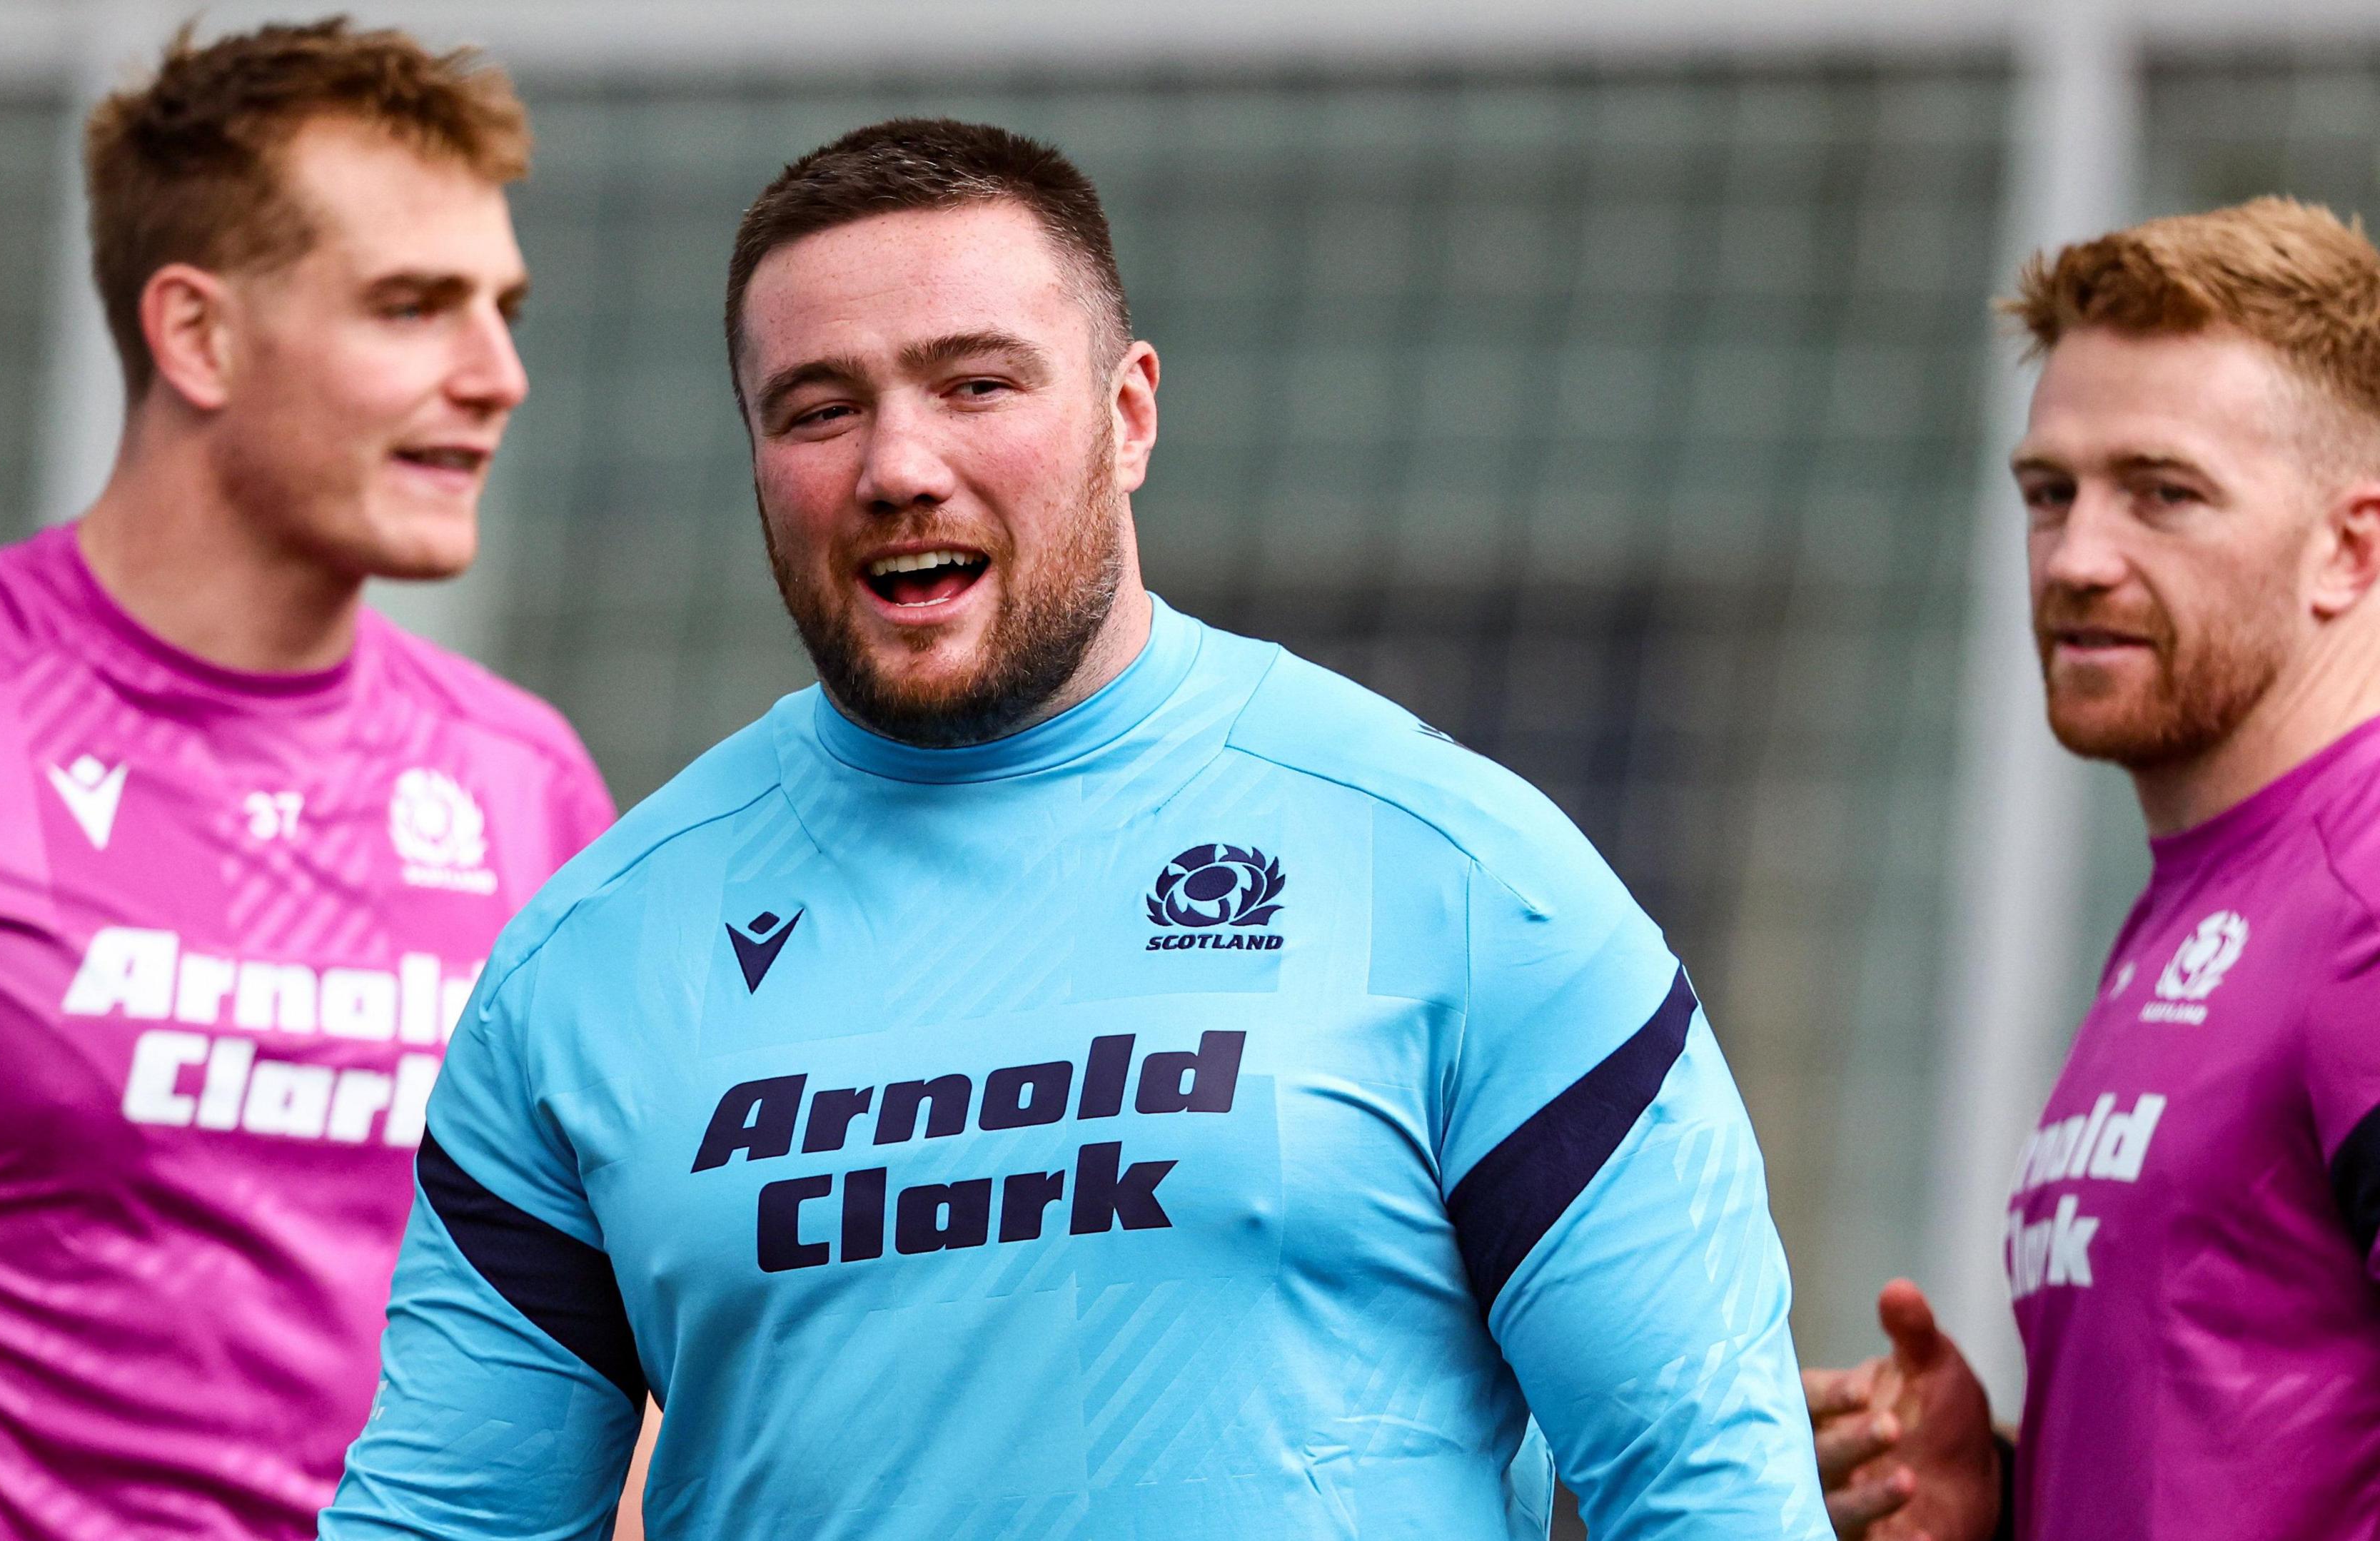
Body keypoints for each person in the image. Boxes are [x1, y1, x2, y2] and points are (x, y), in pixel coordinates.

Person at [323, 117, 1823, 1541]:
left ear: (1129, 416)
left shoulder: (1462, 874)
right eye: (820, 408)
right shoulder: (590, 963)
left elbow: (1708, 1494)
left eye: (977, 384)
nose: (897, 465)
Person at [0, 20, 616, 1540]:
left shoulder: (525, 782)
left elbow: (574, 1356)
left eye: (504, 308)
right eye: (413, 306)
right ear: (197, 336)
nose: (497, 375)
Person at [1809, 197, 2380, 1540]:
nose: (2077, 558)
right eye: (2048, 494)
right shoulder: (2208, 896)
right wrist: (1998, 1501)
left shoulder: (2361, 898)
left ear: (2350, 548)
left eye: (2163, 493)